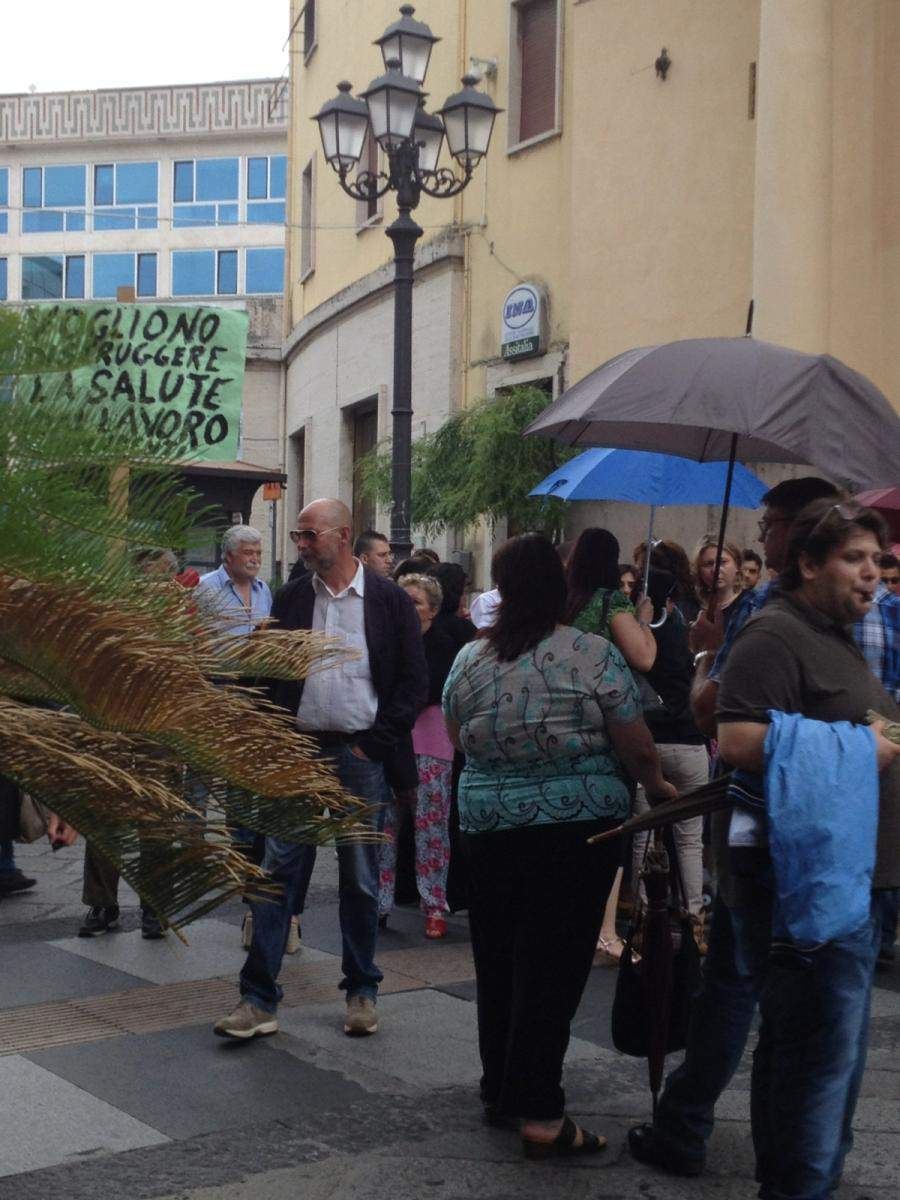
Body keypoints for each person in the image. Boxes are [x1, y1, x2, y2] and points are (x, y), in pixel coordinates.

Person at [628, 475, 842, 1178]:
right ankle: (798, 1150)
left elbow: (713, 717)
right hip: (842, 829)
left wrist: (702, 653)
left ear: (803, 536)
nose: (761, 538)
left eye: (773, 525)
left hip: (761, 816)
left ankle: (690, 1125)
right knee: (819, 995)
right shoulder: (878, 612)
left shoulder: (760, 612)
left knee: (738, 979)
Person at [443, 534, 676, 1156]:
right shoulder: (591, 654)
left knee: (497, 961)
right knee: (553, 966)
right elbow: (636, 743)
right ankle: (541, 1112)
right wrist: (656, 786)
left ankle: (500, 1088)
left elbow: (456, 735)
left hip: (487, 829)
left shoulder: (471, 658)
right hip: (577, 832)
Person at [711, 497, 899, 1200]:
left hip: (853, 880)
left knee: (805, 1057)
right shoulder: (773, 635)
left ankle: (789, 1182)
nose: (871, 575)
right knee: (822, 1064)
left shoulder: (837, 632)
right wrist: (860, 746)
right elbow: (736, 738)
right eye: (854, 559)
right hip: (809, 887)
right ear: (808, 563)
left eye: (877, 560)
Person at [214, 499, 426, 1041]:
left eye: (309, 535)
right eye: (298, 536)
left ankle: (361, 989)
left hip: (360, 756)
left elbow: (411, 683)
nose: (300, 545)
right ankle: (258, 999)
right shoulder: (290, 598)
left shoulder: (387, 601)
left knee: (359, 877)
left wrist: (373, 747)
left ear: (343, 536)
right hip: (299, 754)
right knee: (277, 874)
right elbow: (265, 673)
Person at [78, 548, 200, 940]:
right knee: (104, 816)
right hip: (111, 726)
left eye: (161, 580)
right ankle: (102, 902)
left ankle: (155, 907)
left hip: (159, 730)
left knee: (157, 822)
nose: (152, 587)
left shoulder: (183, 617)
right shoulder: (110, 616)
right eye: (146, 579)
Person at [565, 527, 656, 963]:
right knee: (610, 832)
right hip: (607, 724)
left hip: (565, 722)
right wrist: (643, 618)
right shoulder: (610, 603)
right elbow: (644, 657)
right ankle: (603, 931)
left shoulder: (564, 603)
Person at [378, 573, 457, 938]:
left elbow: (427, 690)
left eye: (416, 602)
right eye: (403, 601)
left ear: (434, 610)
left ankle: (434, 904)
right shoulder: (387, 639)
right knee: (383, 827)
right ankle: (378, 902)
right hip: (389, 741)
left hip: (429, 743)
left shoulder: (442, 645)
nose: (408, 609)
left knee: (430, 828)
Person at [195, 525, 272, 639]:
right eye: (248, 553)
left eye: (259, 553)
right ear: (229, 556)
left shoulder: (263, 589)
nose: (255, 559)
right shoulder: (204, 586)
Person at [693, 536, 742, 625]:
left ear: (737, 565)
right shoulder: (692, 608)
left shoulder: (748, 606)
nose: (715, 569)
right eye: (708, 564)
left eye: (723, 562)